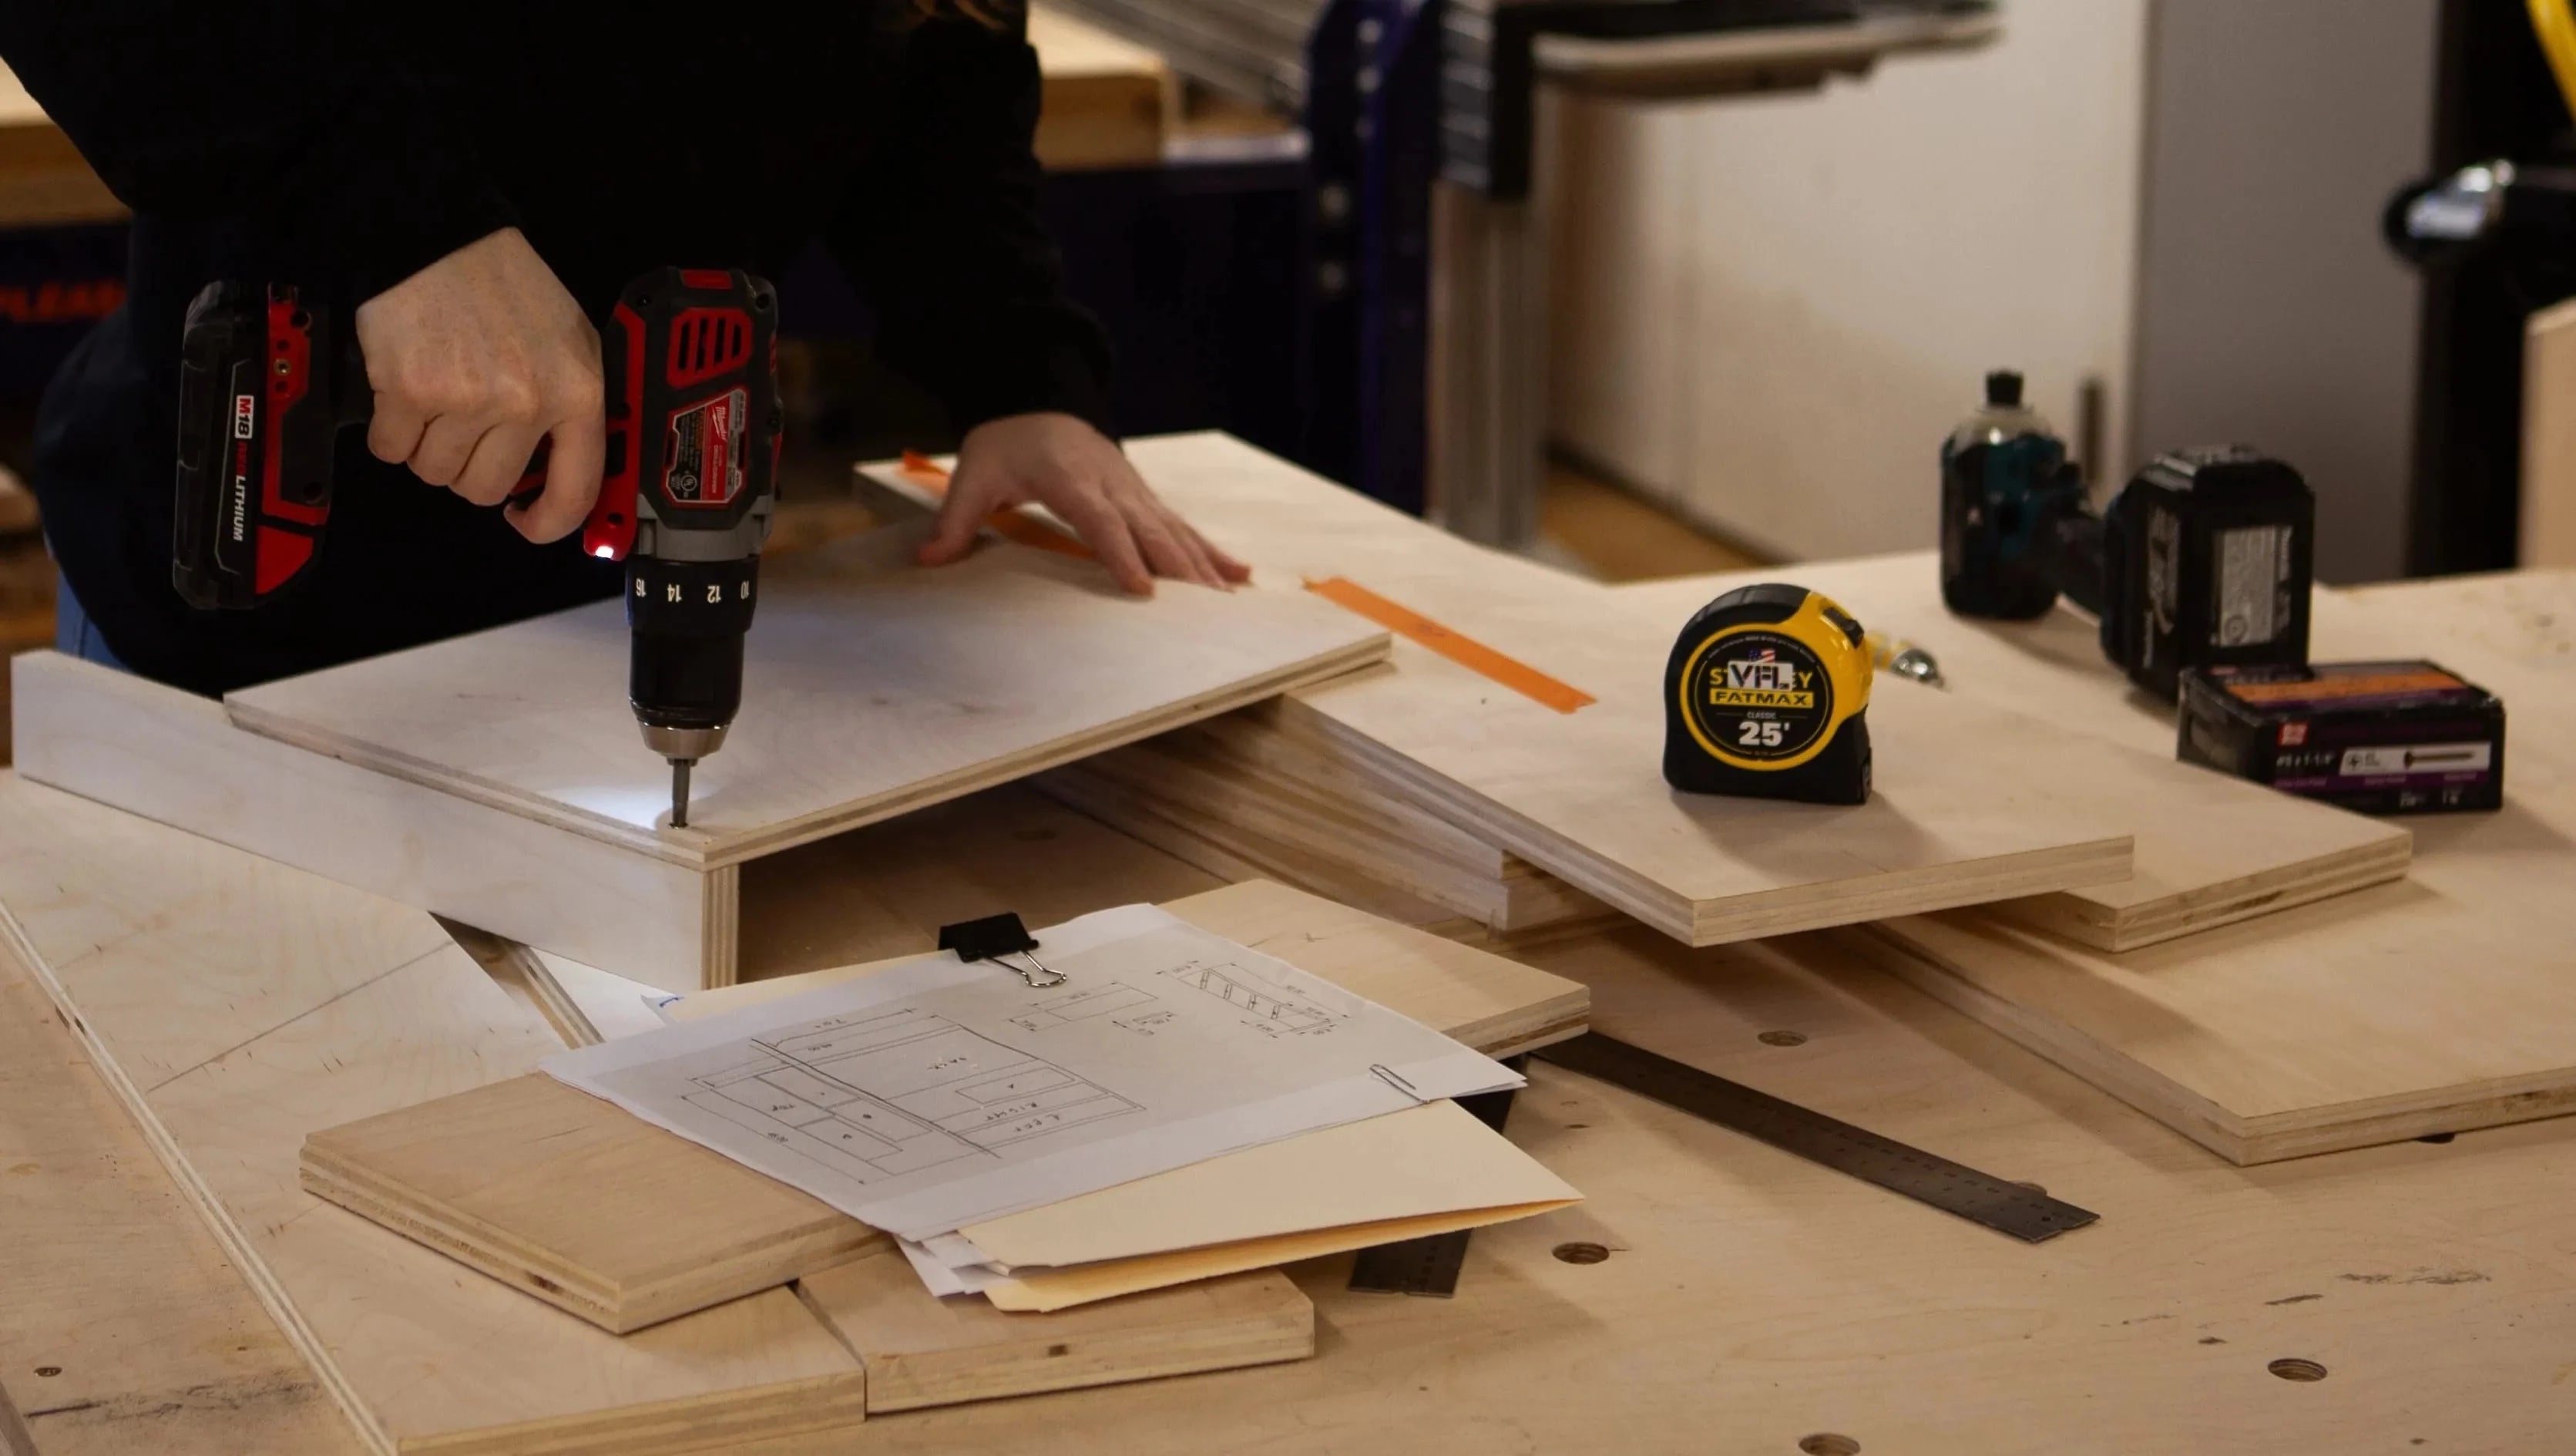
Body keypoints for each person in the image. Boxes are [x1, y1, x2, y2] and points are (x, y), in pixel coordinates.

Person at [2, 2, 1248, 696]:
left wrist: (1018, 375)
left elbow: (935, 64)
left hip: (590, 637)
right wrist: (403, 225)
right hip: (245, 625)